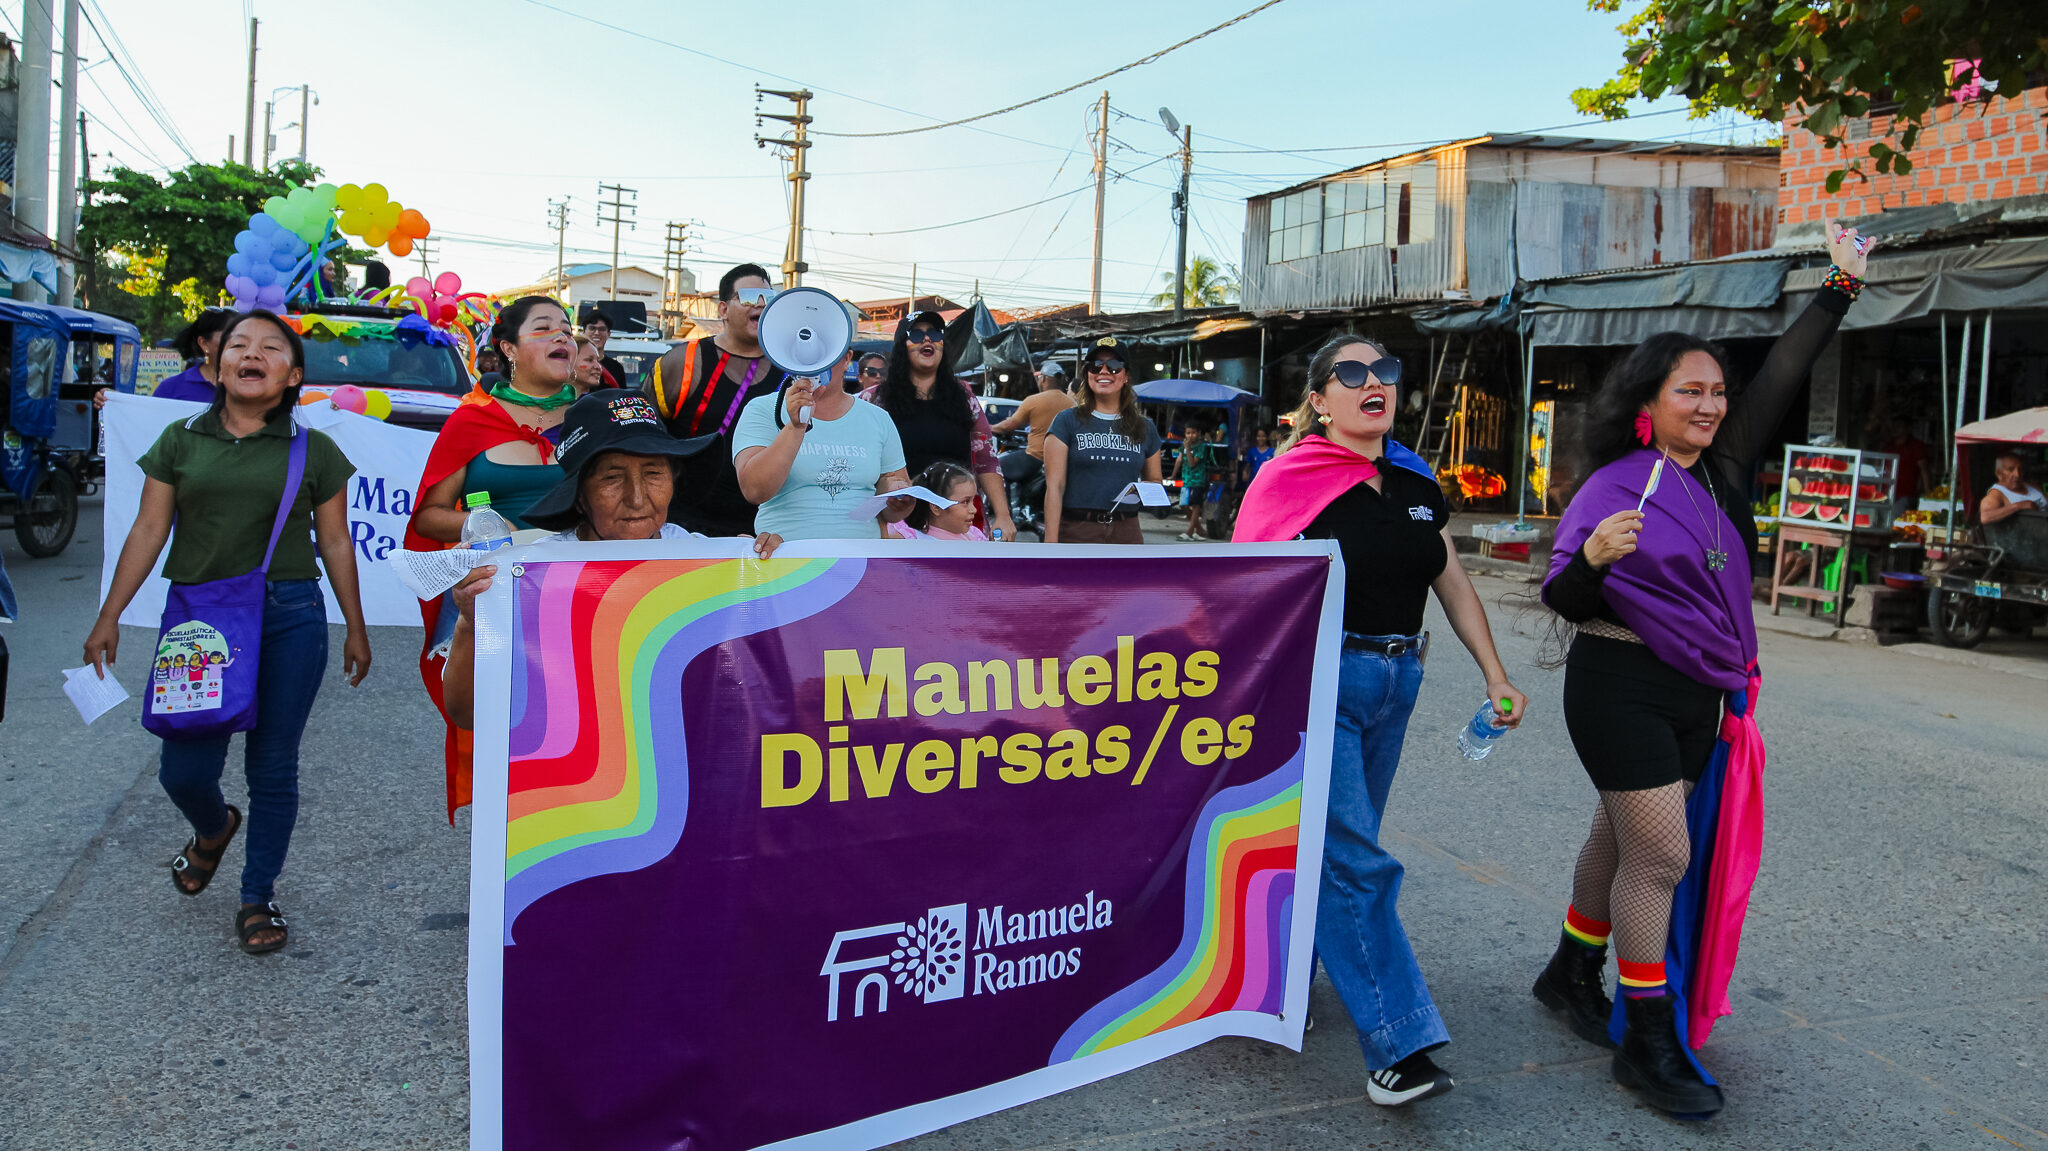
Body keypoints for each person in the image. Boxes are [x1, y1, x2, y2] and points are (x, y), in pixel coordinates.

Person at [1535, 224, 1873, 1118]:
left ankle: (1570, 969)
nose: (1712, 404)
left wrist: (1840, 284)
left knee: (1621, 839)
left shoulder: (1723, 469)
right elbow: (1562, 596)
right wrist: (1593, 560)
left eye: (1718, 391)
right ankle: (1647, 1039)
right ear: (1648, 400)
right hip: (1618, 684)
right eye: (1691, 390)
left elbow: (1787, 370)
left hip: (1701, 691)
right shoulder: (1614, 485)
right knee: (1662, 854)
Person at [1233, 333, 1528, 1108]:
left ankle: (1273, 979)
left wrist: (1495, 673)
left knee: (1331, 847)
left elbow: (1450, 576)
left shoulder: (1415, 477)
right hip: (1318, 679)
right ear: (1320, 399)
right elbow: (1240, 586)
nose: (1375, 382)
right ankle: (1398, 1043)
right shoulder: (1286, 479)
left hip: (1399, 679)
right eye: (1353, 372)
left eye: (1386, 371)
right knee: (1355, 857)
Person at [82, 308, 371, 956]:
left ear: (292, 375)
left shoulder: (314, 450)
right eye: (240, 343)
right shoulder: (180, 440)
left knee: (273, 766)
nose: (252, 353)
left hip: (290, 616)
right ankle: (213, 828)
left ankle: (256, 894)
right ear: (216, 364)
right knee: (183, 770)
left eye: (271, 347)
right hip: (199, 621)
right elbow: (148, 529)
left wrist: (355, 625)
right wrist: (108, 615)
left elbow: (335, 542)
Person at [439, 389, 781, 730]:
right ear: (579, 496)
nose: (637, 498)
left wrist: (775, 572)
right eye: (612, 478)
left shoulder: (705, 562)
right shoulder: (532, 577)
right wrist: (471, 622)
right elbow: (468, 714)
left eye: (653, 474)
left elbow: (764, 682)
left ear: (673, 480)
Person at [404, 295, 579, 818]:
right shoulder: (471, 420)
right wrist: (487, 526)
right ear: (508, 348)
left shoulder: (591, 414)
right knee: (493, 725)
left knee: (577, 720)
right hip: (495, 594)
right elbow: (428, 516)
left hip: (574, 595)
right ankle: (505, 840)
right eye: (544, 328)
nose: (562, 336)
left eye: (567, 329)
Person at [646, 263, 782, 536]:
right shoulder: (684, 361)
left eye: (768, 298)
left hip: (762, 528)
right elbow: (645, 433)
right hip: (684, 525)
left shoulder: (788, 368)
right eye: (748, 297)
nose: (760, 304)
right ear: (723, 310)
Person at [861, 311, 1017, 541]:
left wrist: (1003, 515)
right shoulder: (873, 400)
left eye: (934, 334)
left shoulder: (964, 398)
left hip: (957, 524)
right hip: (898, 524)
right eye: (916, 335)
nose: (927, 339)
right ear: (902, 347)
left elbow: (987, 460)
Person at [734, 353, 913, 540]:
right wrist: (796, 427)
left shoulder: (878, 418)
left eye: (827, 354)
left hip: (862, 554)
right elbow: (754, 490)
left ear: (847, 359)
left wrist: (898, 499)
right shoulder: (762, 409)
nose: (816, 362)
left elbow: (893, 513)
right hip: (787, 553)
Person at [1043, 337, 1162, 544]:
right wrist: (1050, 543)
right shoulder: (1066, 421)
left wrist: (1141, 490)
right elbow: (1055, 487)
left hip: (1127, 531)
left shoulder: (1145, 427)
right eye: (1096, 366)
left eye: (1114, 366)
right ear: (1087, 374)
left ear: (1126, 376)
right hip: (1077, 531)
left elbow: (1155, 482)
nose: (1104, 371)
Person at [990, 359, 1074, 462]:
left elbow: (1009, 425)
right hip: (1064, 458)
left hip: (1037, 457)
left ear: (1043, 378)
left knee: (999, 465)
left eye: (1039, 377)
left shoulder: (1033, 401)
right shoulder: (1072, 403)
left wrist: (990, 428)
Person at [889, 460, 990, 541]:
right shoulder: (912, 539)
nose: (974, 510)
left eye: (972, 501)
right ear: (936, 507)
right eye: (965, 502)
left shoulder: (975, 536)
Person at [1980, 453, 2045, 524]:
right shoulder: (1996, 494)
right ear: (1999, 473)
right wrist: (2018, 506)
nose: (2017, 474)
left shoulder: (2031, 486)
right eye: (2010, 470)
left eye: (2020, 469)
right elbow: (1985, 517)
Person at [1176, 423, 1214, 540]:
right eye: (1188, 433)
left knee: (1195, 505)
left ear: (1199, 433)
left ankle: (1190, 532)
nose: (1190, 435)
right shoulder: (1183, 446)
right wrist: (1173, 475)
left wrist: (1187, 448)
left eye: (1193, 433)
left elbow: (1192, 463)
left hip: (1197, 480)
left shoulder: (1200, 447)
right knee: (1183, 505)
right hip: (1186, 480)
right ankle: (1199, 530)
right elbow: (1179, 460)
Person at [582, 310, 628, 388]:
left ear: (609, 334)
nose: (596, 333)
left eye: (602, 329)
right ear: (583, 332)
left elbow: (622, 394)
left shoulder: (616, 368)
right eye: (592, 328)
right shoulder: (574, 364)